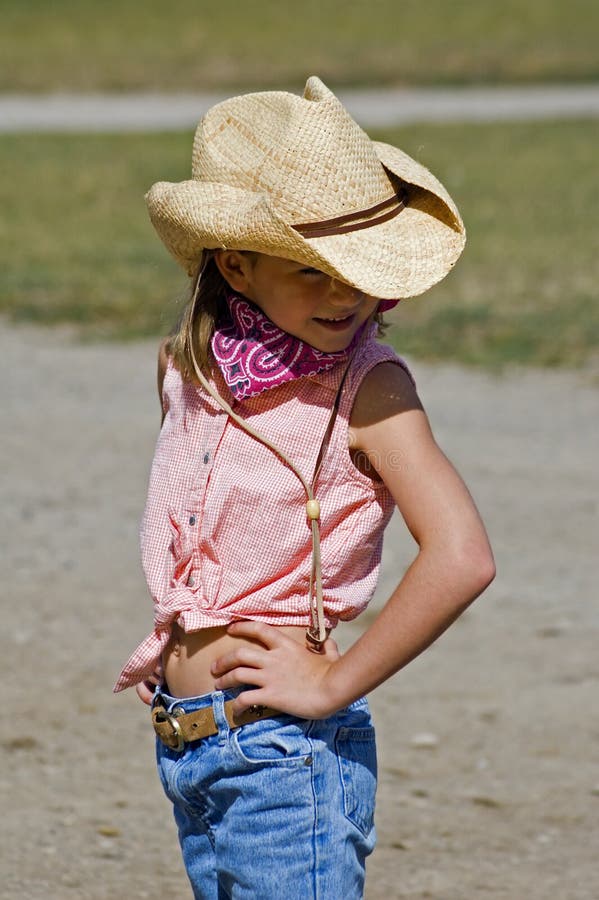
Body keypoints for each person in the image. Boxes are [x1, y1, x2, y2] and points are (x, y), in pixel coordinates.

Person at [114, 76, 495, 898]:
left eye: (356, 269)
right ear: (236, 265)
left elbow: (461, 555)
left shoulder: (371, 389)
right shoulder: (183, 369)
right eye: (311, 271)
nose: (344, 293)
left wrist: (331, 681)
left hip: (286, 757)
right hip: (188, 745)